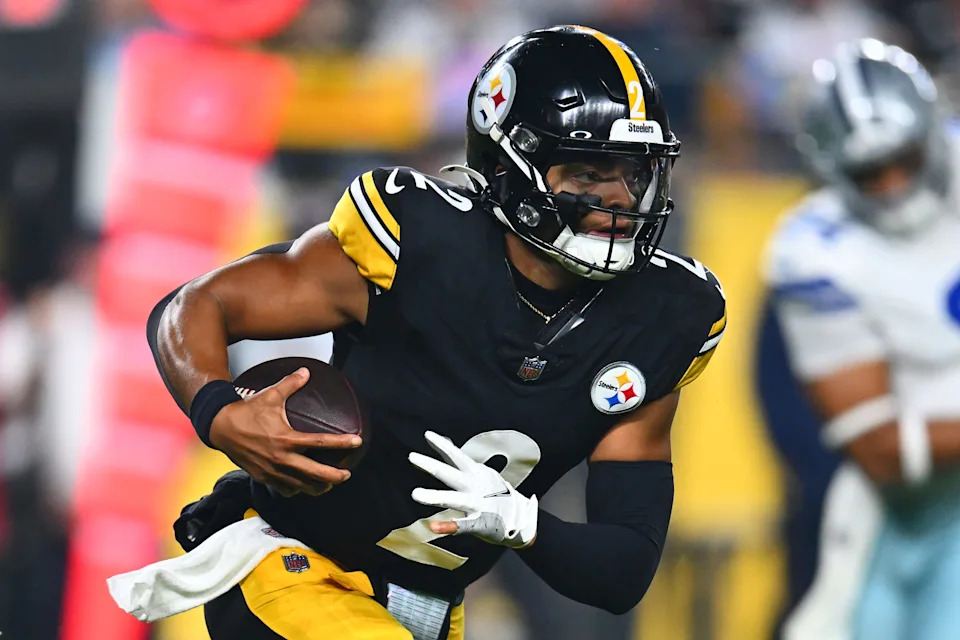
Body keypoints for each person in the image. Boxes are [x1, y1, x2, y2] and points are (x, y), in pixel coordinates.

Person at [108, 25, 726, 640]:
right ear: (513, 165)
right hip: (295, 569)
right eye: (588, 175)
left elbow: (622, 571)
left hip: (430, 610)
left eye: (634, 174)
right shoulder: (419, 241)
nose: (619, 199)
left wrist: (523, 521)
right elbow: (194, 306)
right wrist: (217, 410)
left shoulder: (662, 317)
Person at [766, 39, 960, 640]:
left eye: (904, 157)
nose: (896, 183)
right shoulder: (814, 254)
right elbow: (882, 449)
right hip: (915, 518)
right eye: (871, 172)